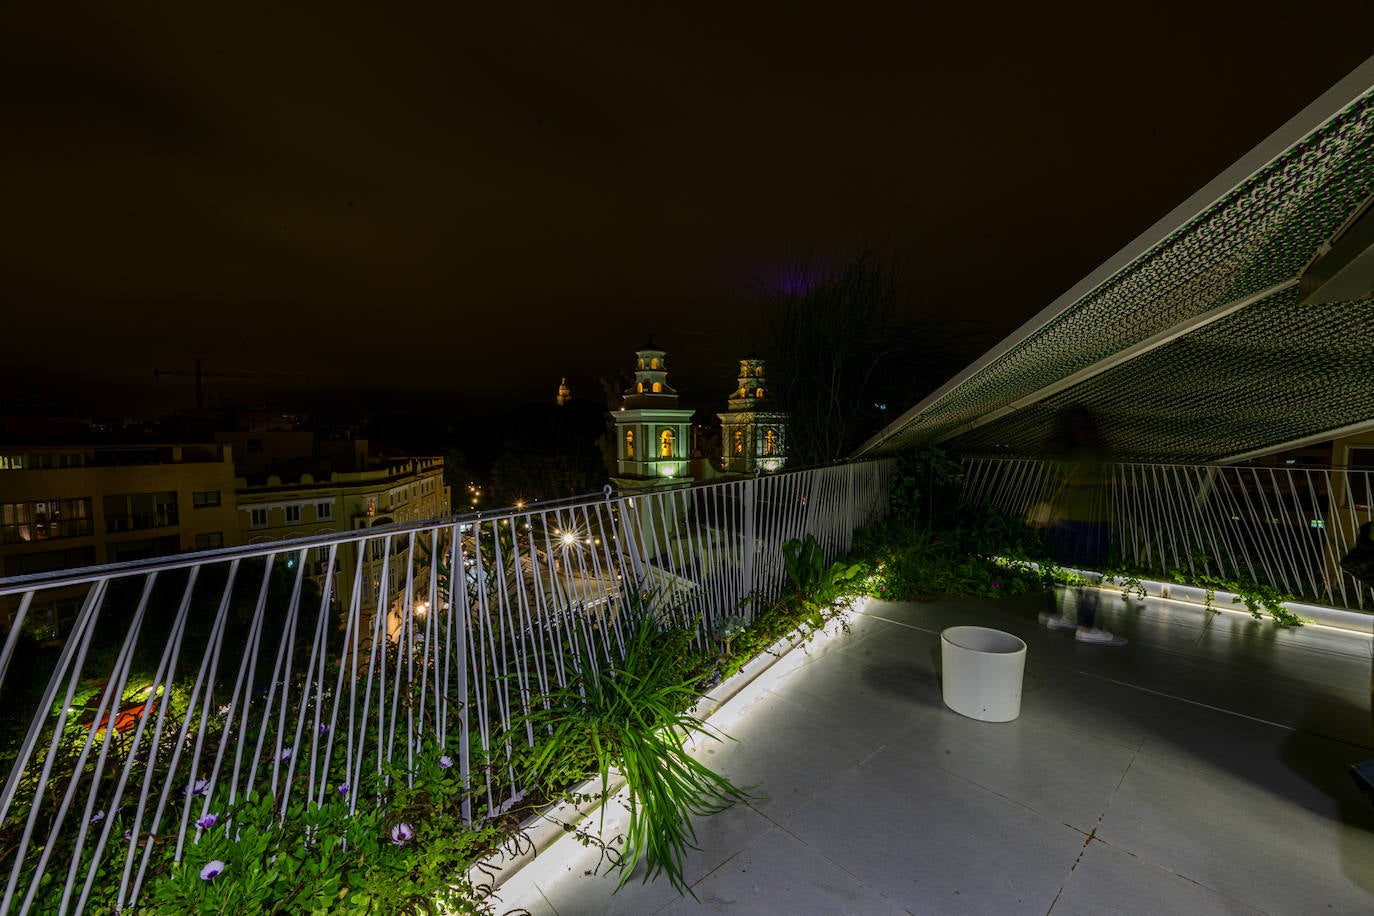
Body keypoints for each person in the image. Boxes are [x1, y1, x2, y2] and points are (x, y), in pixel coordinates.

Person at [1036, 406, 1126, 646]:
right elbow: (1082, 478)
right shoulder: (1089, 451)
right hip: (1091, 520)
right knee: (1089, 572)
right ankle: (1085, 626)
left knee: (1058, 568)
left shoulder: (1059, 451)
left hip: (1060, 519)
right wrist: (1109, 479)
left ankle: (1053, 614)